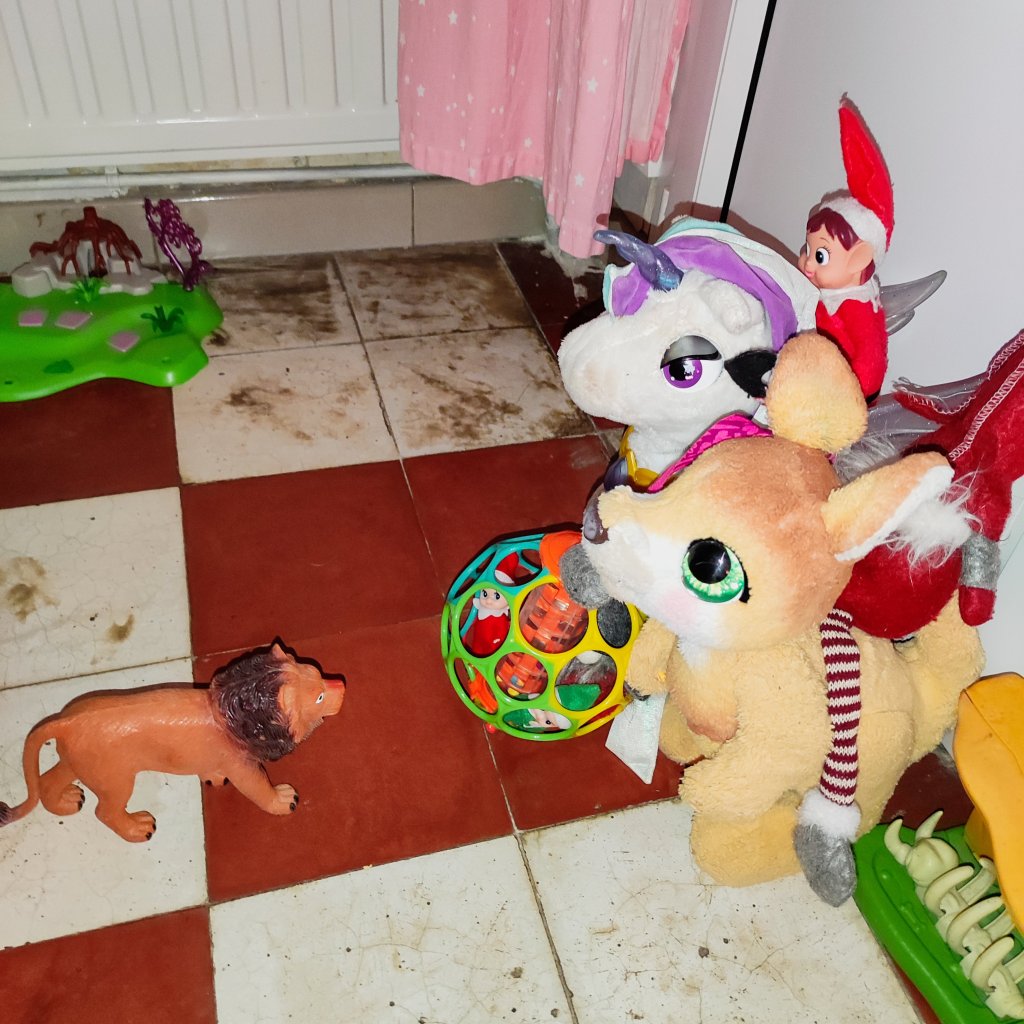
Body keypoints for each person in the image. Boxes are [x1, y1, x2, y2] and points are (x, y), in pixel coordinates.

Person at [800, 97, 894, 404]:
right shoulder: (833, 295)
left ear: (858, 260)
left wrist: (848, 395)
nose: (808, 264)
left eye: (820, 256)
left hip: (843, 395)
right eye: (808, 250)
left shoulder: (856, 306)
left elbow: (870, 360)